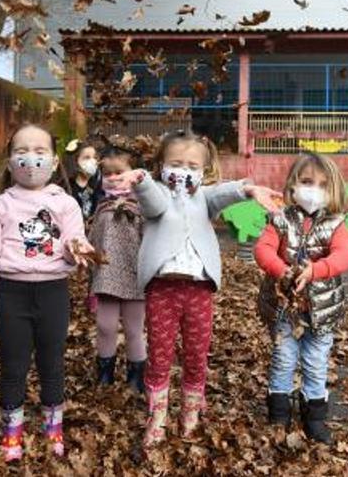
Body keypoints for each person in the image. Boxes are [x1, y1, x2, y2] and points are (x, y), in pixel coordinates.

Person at [112, 129, 281, 447]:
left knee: (196, 355)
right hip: (163, 289)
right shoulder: (157, 193)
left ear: (202, 171)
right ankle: (157, 419)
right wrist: (142, 179)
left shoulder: (204, 198)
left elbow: (223, 192)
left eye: (192, 165)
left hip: (199, 291)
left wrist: (249, 189)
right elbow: (153, 205)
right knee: (160, 356)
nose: (184, 171)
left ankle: (189, 416)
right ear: (162, 164)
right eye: (176, 163)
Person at [0, 123, 96, 462]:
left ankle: (52, 426)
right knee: (13, 363)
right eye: (22, 152)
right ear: (10, 161)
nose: (31, 159)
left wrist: (78, 247)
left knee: (52, 361)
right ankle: (12, 431)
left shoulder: (67, 204)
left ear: (56, 161)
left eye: (40, 151)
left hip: (53, 292)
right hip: (10, 292)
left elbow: (72, 246)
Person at [254, 153, 348, 445]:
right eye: (307, 181)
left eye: (322, 184)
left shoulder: (337, 224)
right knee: (283, 359)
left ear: (333, 189)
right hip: (285, 308)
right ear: (292, 185)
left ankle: (314, 417)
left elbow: (344, 255)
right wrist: (282, 271)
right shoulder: (280, 219)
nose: (313, 189)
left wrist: (316, 270)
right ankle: (279, 413)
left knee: (315, 362)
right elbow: (264, 250)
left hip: (321, 311)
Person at [87, 143, 148, 392]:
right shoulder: (101, 207)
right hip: (106, 277)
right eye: (107, 174)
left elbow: (150, 239)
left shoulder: (143, 207)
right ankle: (105, 373)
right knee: (105, 326)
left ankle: (136, 377)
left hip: (135, 276)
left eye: (119, 172)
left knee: (134, 329)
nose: (113, 179)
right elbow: (93, 240)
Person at [65, 138, 104, 219]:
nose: (92, 161)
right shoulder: (67, 186)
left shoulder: (99, 184)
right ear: (76, 161)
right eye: (87, 157)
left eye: (95, 158)